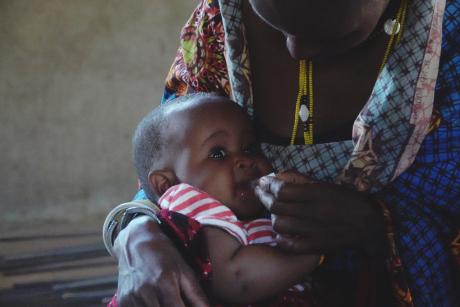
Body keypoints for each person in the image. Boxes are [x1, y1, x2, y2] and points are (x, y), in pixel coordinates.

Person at [104, 0, 460, 306]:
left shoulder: (448, 39)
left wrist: (374, 225)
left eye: (330, 34)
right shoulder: (218, 24)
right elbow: (162, 166)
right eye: (272, 23)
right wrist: (139, 232)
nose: (295, 51)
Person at [108, 93, 323, 306]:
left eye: (250, 148)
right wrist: (318, 249)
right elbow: (237, 279)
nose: (245, 161)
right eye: (218, 153)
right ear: (167, 184)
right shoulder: (188, 202)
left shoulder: (246, 216)